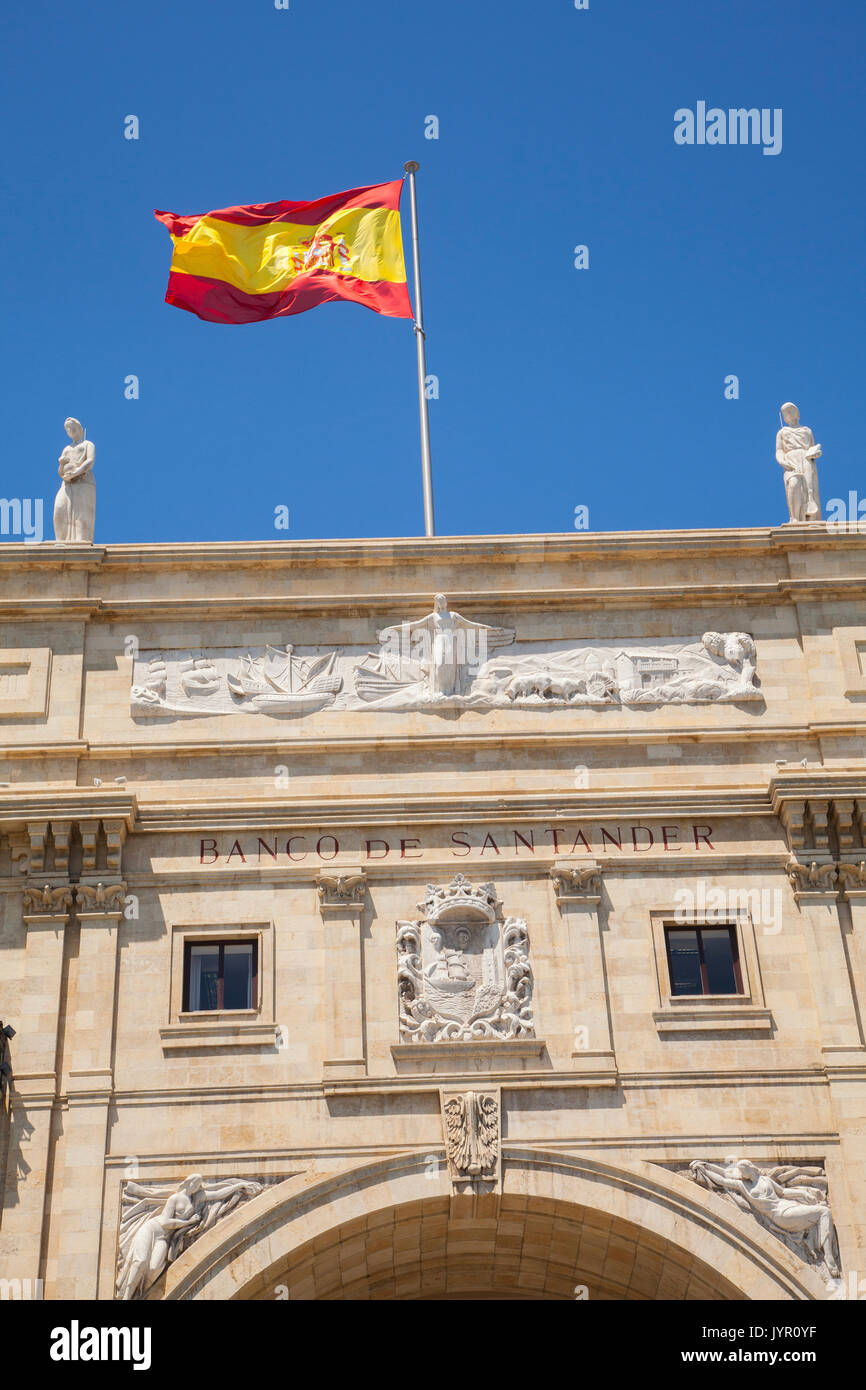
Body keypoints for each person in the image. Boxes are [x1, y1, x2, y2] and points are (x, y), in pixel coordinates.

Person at [776, 402, 822, 522]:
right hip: (791, 460)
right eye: (785, 413)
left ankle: (810, 517)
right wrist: (782, 461)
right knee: (794, 483)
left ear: (797, 413)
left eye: (790, 411)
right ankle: (794, 517)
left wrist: (815, 453)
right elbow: (779, 450)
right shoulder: (782, 432)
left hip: (806, 459)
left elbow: (812, 447)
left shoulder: (806, 430)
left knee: (809, 488)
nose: (787, 414)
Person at [53, 417, 96, 542]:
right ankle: (61, 541)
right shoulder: (66, 449)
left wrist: (76, 472)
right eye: (67, 428)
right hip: (67, 484)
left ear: (79, 428)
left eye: (71, 427)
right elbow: (61, 472)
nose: (69, 430)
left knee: (81, 515)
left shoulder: (88, 444)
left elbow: (90, 461)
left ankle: (80, 542)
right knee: (59, 509)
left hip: (83, 482)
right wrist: (61, 465)